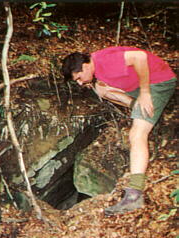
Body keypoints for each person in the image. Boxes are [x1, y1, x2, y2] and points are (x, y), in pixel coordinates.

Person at [62, 46, 176, 215]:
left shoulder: (106, 62)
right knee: (100, 89)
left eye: (79, 78)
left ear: (85, 67)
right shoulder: (94, 68)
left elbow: (140, 57)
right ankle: (141, 108)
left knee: (137, 134)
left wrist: (145, 93)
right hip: (137, 85)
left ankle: (135, 195)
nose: (79, 83)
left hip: (158, 82)